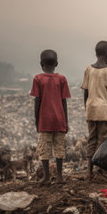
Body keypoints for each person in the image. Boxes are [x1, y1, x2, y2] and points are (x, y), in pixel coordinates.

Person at [81, 40, 107, 180]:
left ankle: (88, 171)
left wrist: (87, 107)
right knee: (102, 141)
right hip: (103, 111)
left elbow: (85, 92)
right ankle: (100, 170)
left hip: (91, 109)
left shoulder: (88, 69)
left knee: (91, 139)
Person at [30, 49, 71, 184]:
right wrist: (66, 121)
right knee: (60, 149)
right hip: (59, 120)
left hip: (45, 121)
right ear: (57, 64)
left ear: (41, 64)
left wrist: (37, 121)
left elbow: (37, 101)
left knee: (44, 150)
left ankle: (47, 176)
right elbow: (64, 101)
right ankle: (59, 176)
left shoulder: (38, 79)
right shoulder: (62, 79)